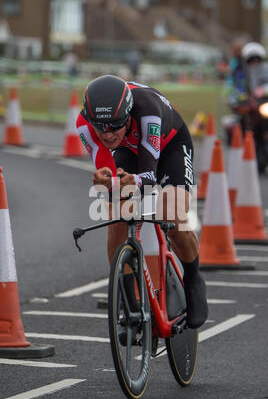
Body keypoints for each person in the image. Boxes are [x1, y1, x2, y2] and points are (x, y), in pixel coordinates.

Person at [76, 75, 208, 332]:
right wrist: (109, 181)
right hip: (130, 150)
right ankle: (127, 301)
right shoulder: (84, 125)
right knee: (116, 216)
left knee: (172, 216)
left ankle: (193, 280)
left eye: (115, 125)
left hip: (170, 146)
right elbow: (107, 169)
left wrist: (132, 181)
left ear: (128, 115)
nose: (107, 133)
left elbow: (149, 175)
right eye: (100, 127)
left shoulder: (147, 109)